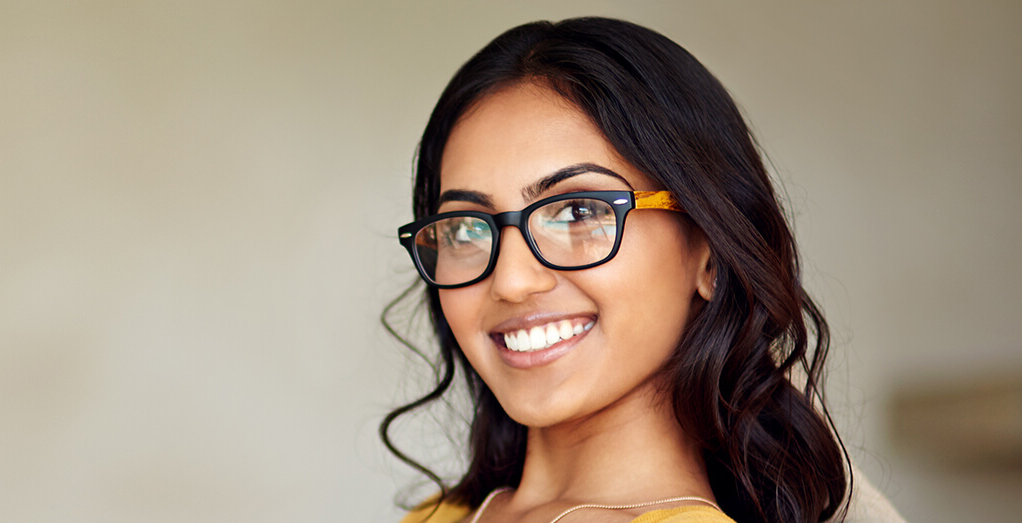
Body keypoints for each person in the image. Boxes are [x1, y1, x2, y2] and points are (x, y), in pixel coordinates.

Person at [382, 17, 905, 523]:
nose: (513, 282)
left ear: (709, 254)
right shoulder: (436, 516)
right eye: (465, 229)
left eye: (579, 212)